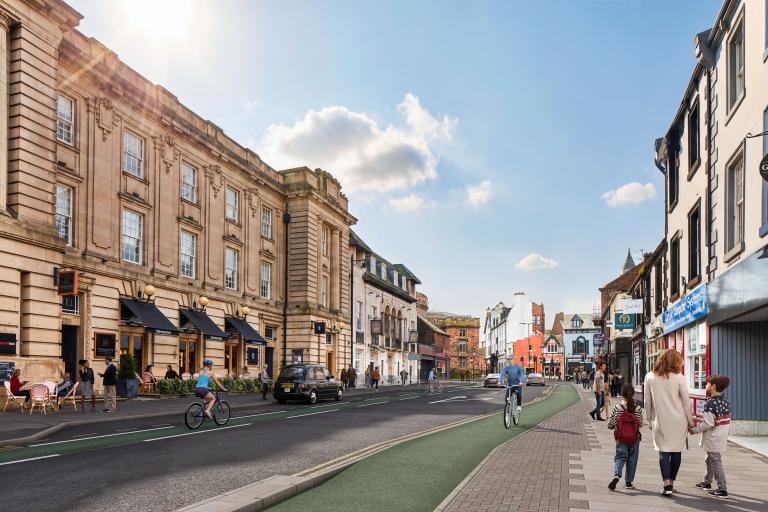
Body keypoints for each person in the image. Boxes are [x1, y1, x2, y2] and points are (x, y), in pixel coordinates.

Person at [644, 349, 694, 496]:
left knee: (663, 451)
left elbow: (648, 401)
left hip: (660, 419)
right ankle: (671, 482)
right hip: (679, 420)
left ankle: (667, 485)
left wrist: (649, 419)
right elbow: (686, 403)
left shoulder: (650, 377)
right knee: (676, 451)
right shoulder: (679, 377)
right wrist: (690, 421)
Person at [689, 374, 732, 498]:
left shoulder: (710, 403)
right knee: (710, 459)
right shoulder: (725, 401)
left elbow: (708, 423)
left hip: (713, 437)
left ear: (713, 386)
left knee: (715, 461)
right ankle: (707, 482)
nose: (705, 385)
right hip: (721, 435)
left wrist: (695, 430)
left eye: (707, 383)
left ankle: (722, 488)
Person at [607, 384, 645, 490]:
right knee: (632, 459)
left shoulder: (617, 407)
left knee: (620, 457)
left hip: (621, 438)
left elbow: (610, 423)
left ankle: (617, 475)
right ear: (633, 395)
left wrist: (613, 427)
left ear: (621, 395)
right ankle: (628, 482)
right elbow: (641, 423)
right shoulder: (637, 408)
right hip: (634, 439)